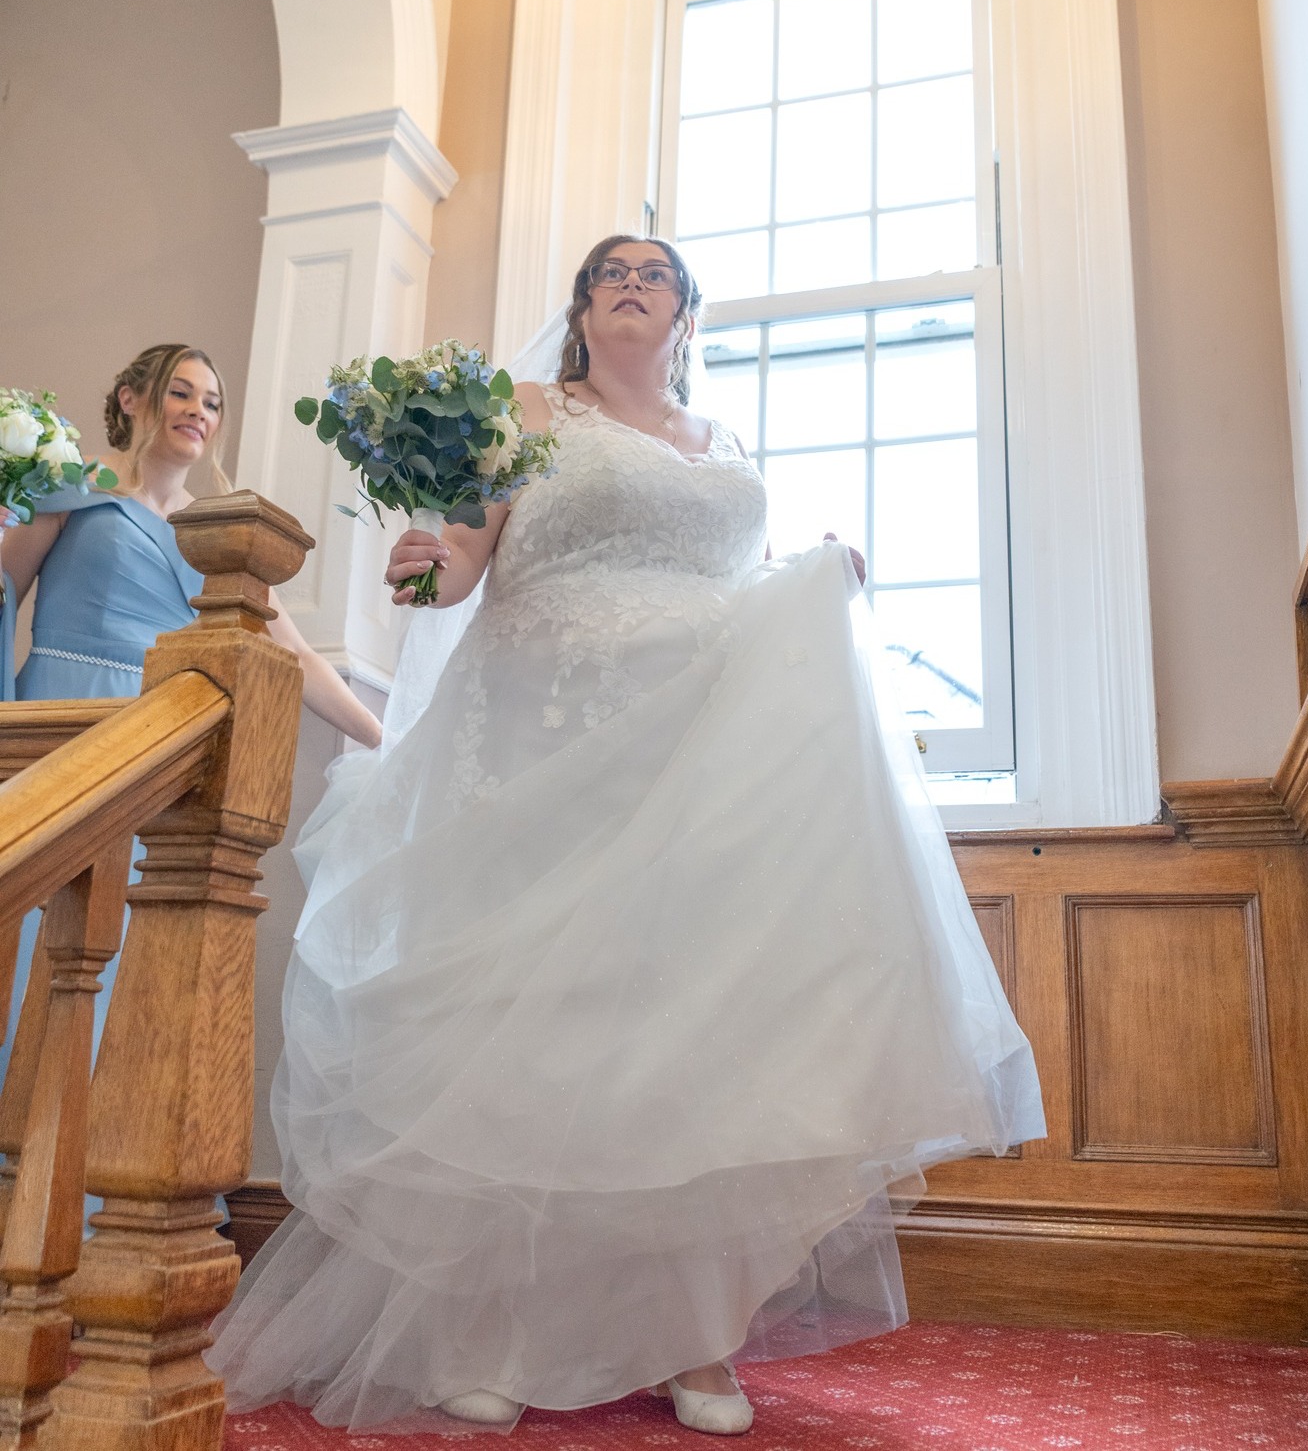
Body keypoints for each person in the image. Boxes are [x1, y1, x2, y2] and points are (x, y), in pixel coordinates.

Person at [207, 237, 1045, 1437]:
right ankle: (488, 1326)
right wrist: (422, 563)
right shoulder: (528, 412)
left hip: (696, 772)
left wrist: (819, 577)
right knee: (535, 1028)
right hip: (541, 755)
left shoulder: (730, 446)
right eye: (611, 271)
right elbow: (458, 563)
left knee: (692, 1039)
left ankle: (697, 1337)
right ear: (583, 308)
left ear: (688, 314)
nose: (633, 281)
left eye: (657, 273)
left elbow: (741, 589)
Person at [0, 342, 382, 1066]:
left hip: (157, 744)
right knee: (39, 917)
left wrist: (379, 737)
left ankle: (78, 1154)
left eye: (211, 403)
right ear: (131, 400)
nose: (197, 413)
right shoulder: (74, 490)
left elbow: (294, 654)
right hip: (66, 714)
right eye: (181, 393)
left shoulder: (218, 534)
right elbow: (1, 590)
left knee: (113, 934)